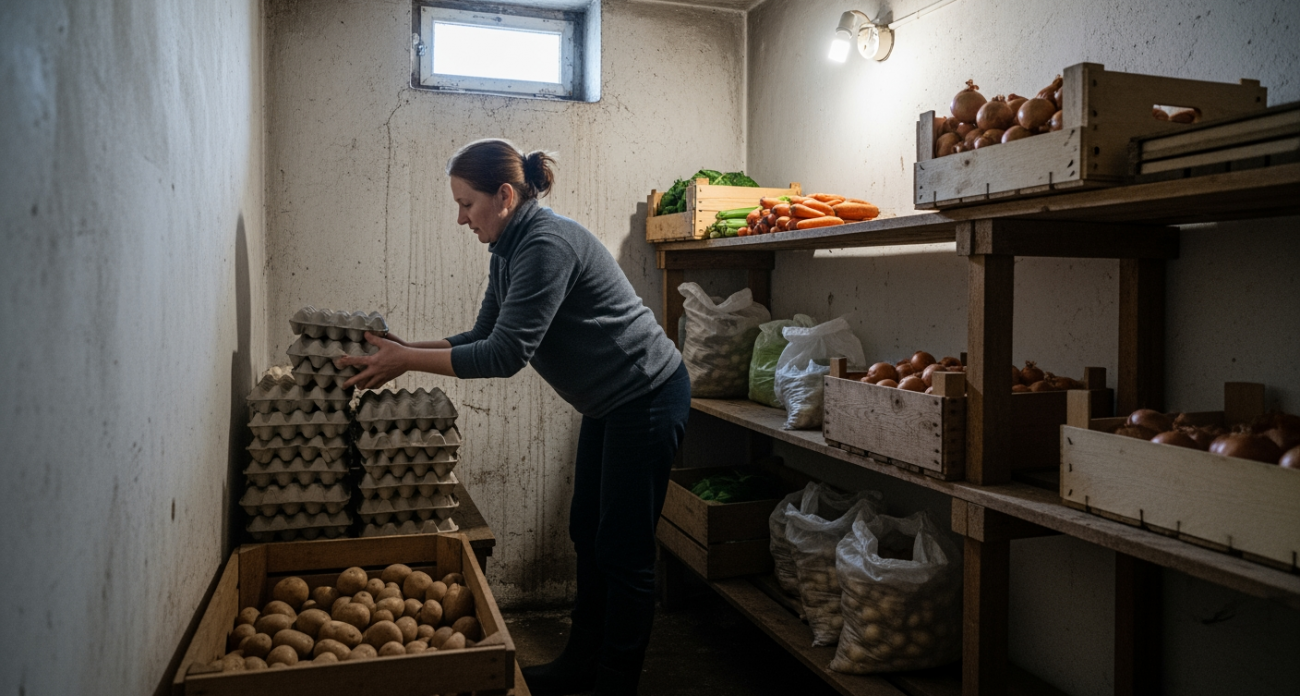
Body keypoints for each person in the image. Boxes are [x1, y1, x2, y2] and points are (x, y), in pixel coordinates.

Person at [338, 139, 690, 695]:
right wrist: (406, 353)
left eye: (466, 204)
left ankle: (614, 683)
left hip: (646, 394)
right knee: (587, 533)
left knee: (623, 550)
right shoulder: (508, 247)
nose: (460, 219)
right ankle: (581, 662)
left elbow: (505, 357)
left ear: (504, 195)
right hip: (610, 403)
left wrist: (409, 359)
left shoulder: (545, 244)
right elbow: (483, 336)